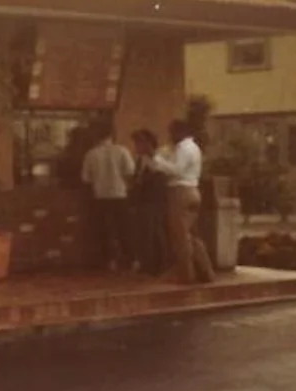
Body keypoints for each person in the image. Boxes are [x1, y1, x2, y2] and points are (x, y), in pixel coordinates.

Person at [151, 119, 215, 284]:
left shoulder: (183, 148)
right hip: (193, 190)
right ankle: (206, 272)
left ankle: (186, 274)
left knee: (180, 236)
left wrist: (159, 162)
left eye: (171, 132)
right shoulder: (194, 147)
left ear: (179, 132)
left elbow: (177, 170)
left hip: (180, 192)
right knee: (193, 235)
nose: (170, 136)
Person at [80, 118, 137, 272]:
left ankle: (110, 261)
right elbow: (130, 172)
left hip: (100, 197)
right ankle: (131, 259)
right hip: (120, 195)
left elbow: (86, 179)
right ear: (112, 134)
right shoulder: (122, 151)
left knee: (104, 230)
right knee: (125, 229)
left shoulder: (91, 154)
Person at [129, 129, 170, 275]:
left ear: (147, 143)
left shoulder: (158, 159)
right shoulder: (140, 160)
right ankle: (146, 262)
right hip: (142, 200)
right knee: (144, 232)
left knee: (155, 231)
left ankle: (159, 264)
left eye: (138, 143)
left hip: (154, 200)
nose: (136, 147)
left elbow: (160, 179)